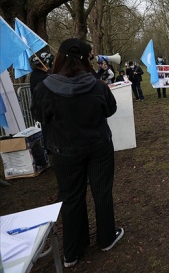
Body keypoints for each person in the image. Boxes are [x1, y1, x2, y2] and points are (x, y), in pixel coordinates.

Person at [30, 38, 124, 268]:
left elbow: (39, 115)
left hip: (64, 152)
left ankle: (72, 250)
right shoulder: (97, 85)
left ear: (59, 58)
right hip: (98, 146)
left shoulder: (44, 88)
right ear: (86, 60)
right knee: (102, 191)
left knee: (70, 197)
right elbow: (110, 110)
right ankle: (106, 238)